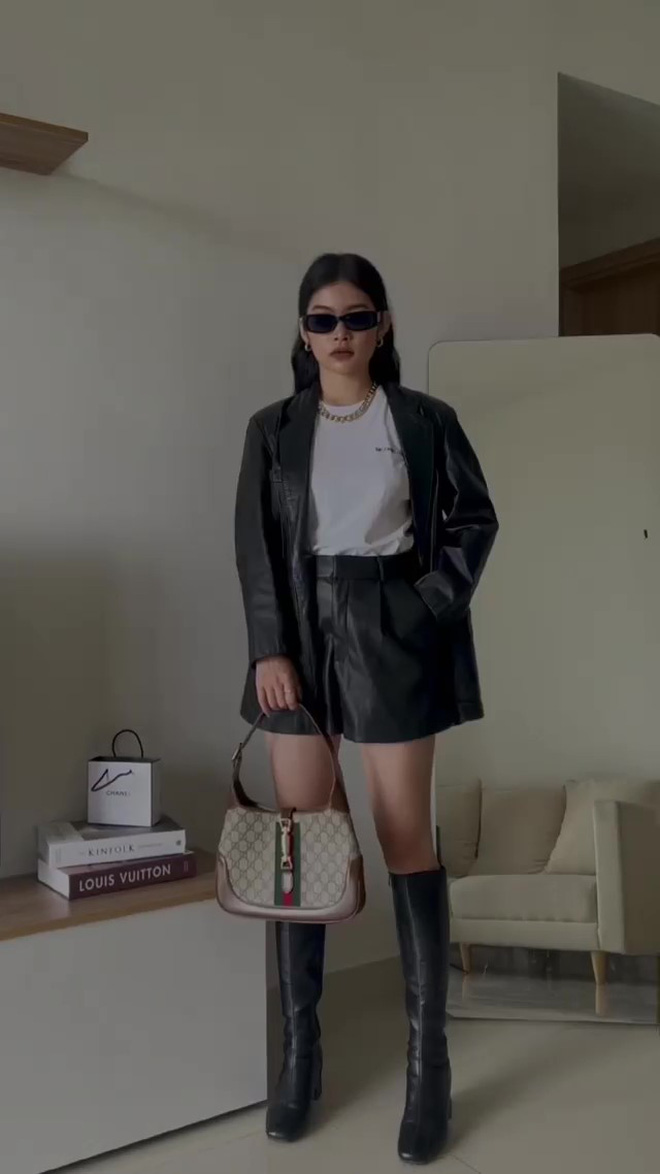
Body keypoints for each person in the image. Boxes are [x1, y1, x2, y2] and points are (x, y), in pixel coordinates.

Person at [234, 253, 497, 1165]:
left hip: (391, 623)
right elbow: (256, 547)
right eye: (321, 319)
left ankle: (431, 1073)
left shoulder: (424, 420)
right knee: (300, 846)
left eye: (356, 316)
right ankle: (301, 1061)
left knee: (405, 841)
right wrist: (270, 648)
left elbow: (474, 521)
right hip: (299, 632)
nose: (338, 333)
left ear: (382, 324)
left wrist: (425, 607)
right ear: (303, 332)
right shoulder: (272, 429)